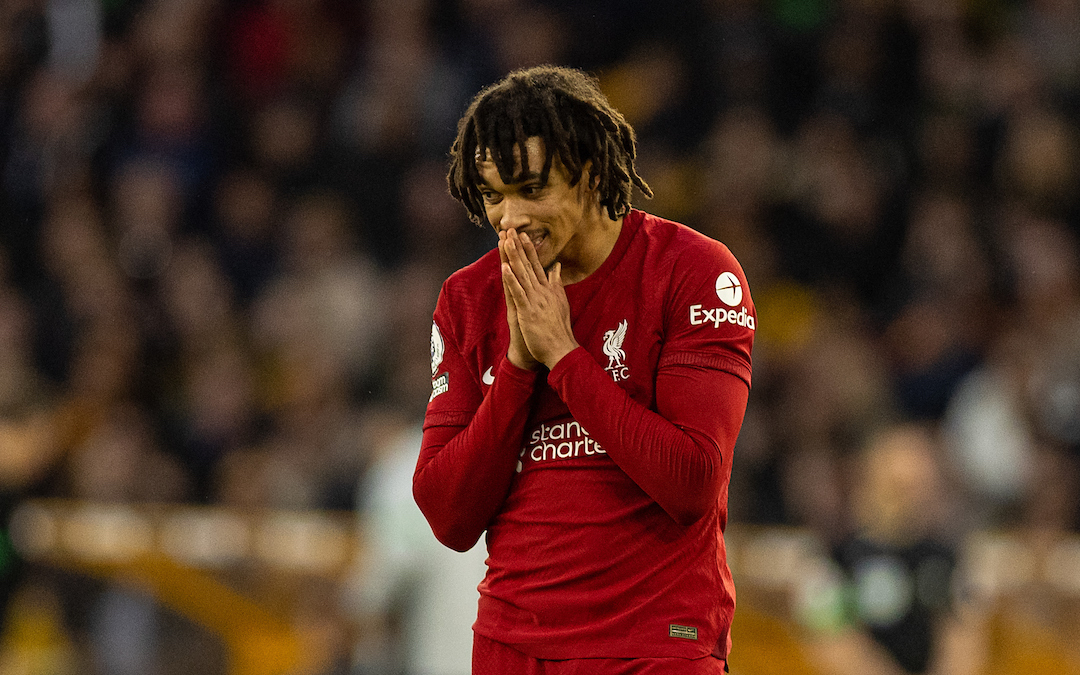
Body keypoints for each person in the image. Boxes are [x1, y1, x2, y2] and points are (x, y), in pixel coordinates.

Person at [413, 65, 755, 674]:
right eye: (493, 195)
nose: (510, 218)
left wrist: (565, 358)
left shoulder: (694, 271)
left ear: (591, 173)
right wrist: (519, 364)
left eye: (531, 189)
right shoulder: (469, 299)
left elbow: (693, 481)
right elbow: (448, 514)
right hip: (511, 648)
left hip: (653, 647)